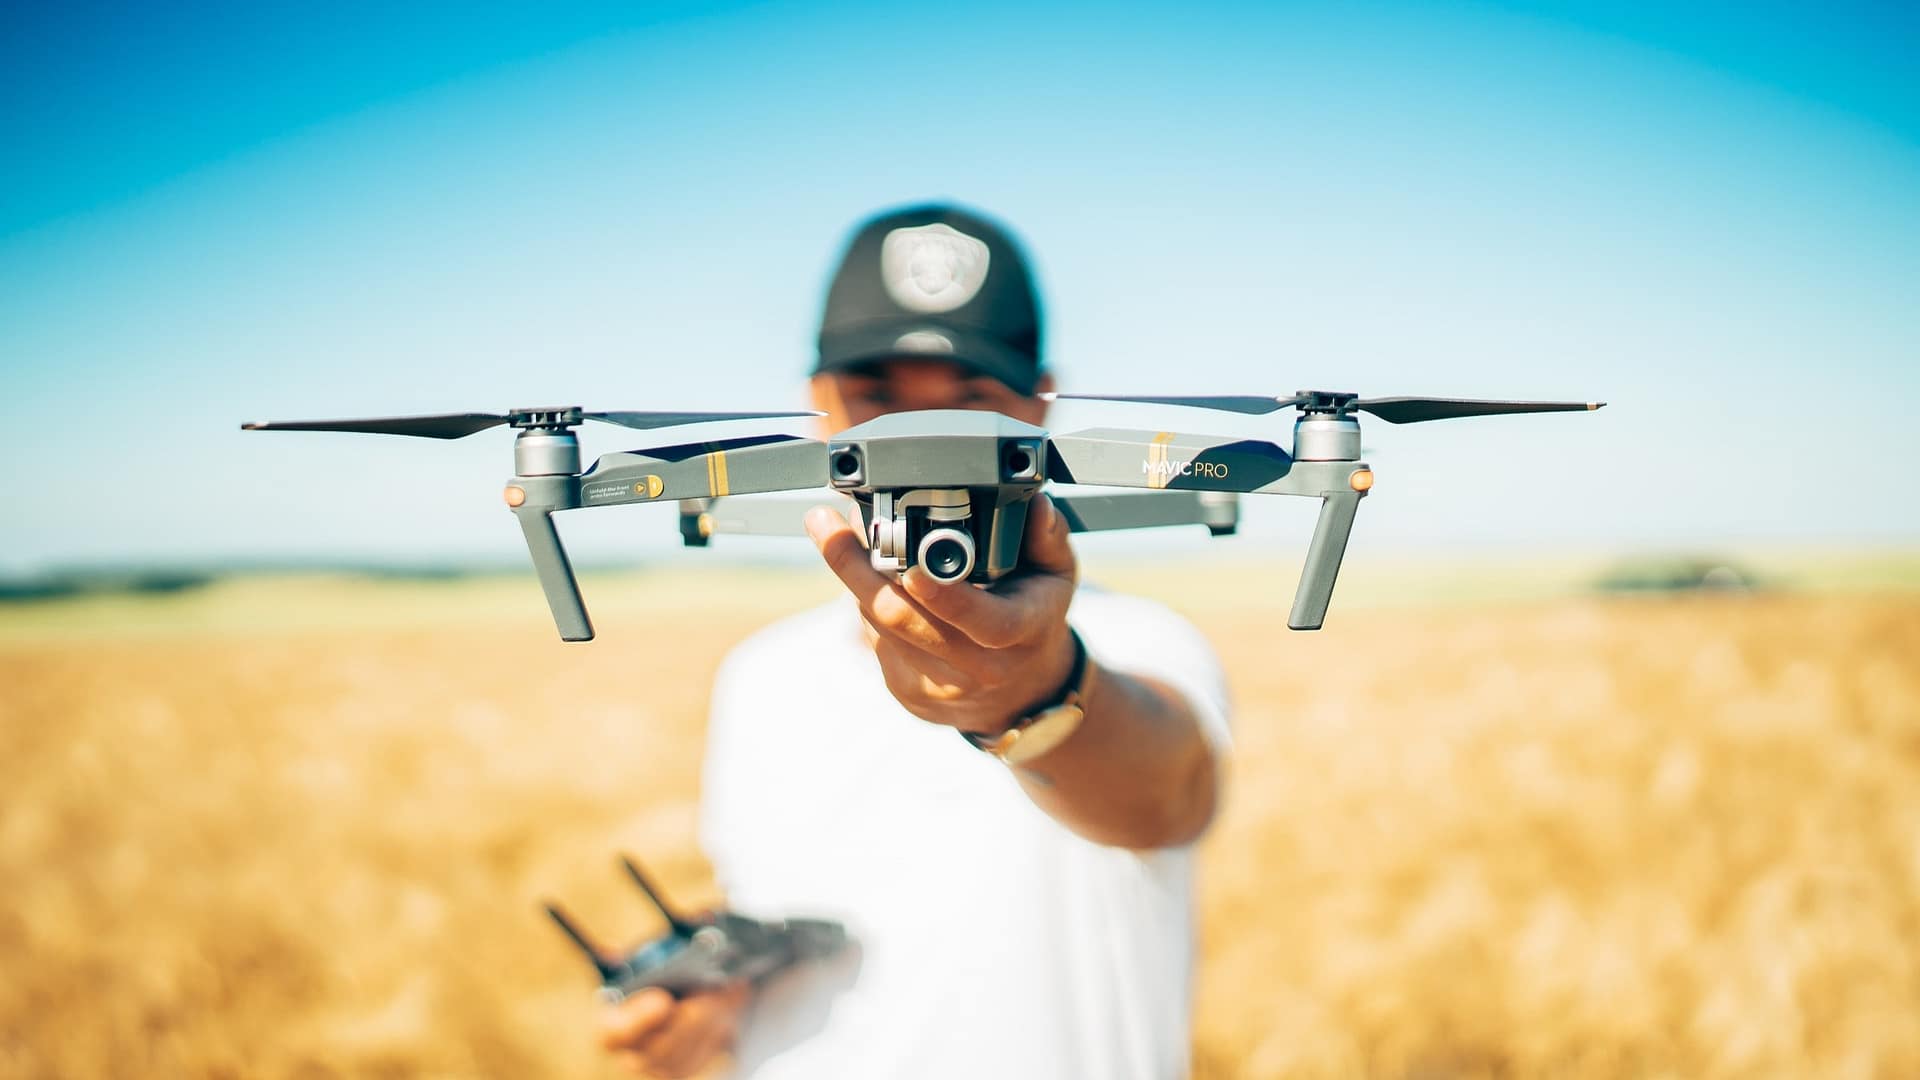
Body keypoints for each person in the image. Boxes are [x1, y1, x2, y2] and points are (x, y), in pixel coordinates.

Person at [599, 204, 1231, 1079]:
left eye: (972, 403)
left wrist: (1039, 691)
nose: (925, 443)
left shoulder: (1144, 641)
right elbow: (796, 905)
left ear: (1041, 404)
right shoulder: (759, 677)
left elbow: (1163, 796)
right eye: (880, 400)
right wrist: (704, 1011)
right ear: (816, 404)